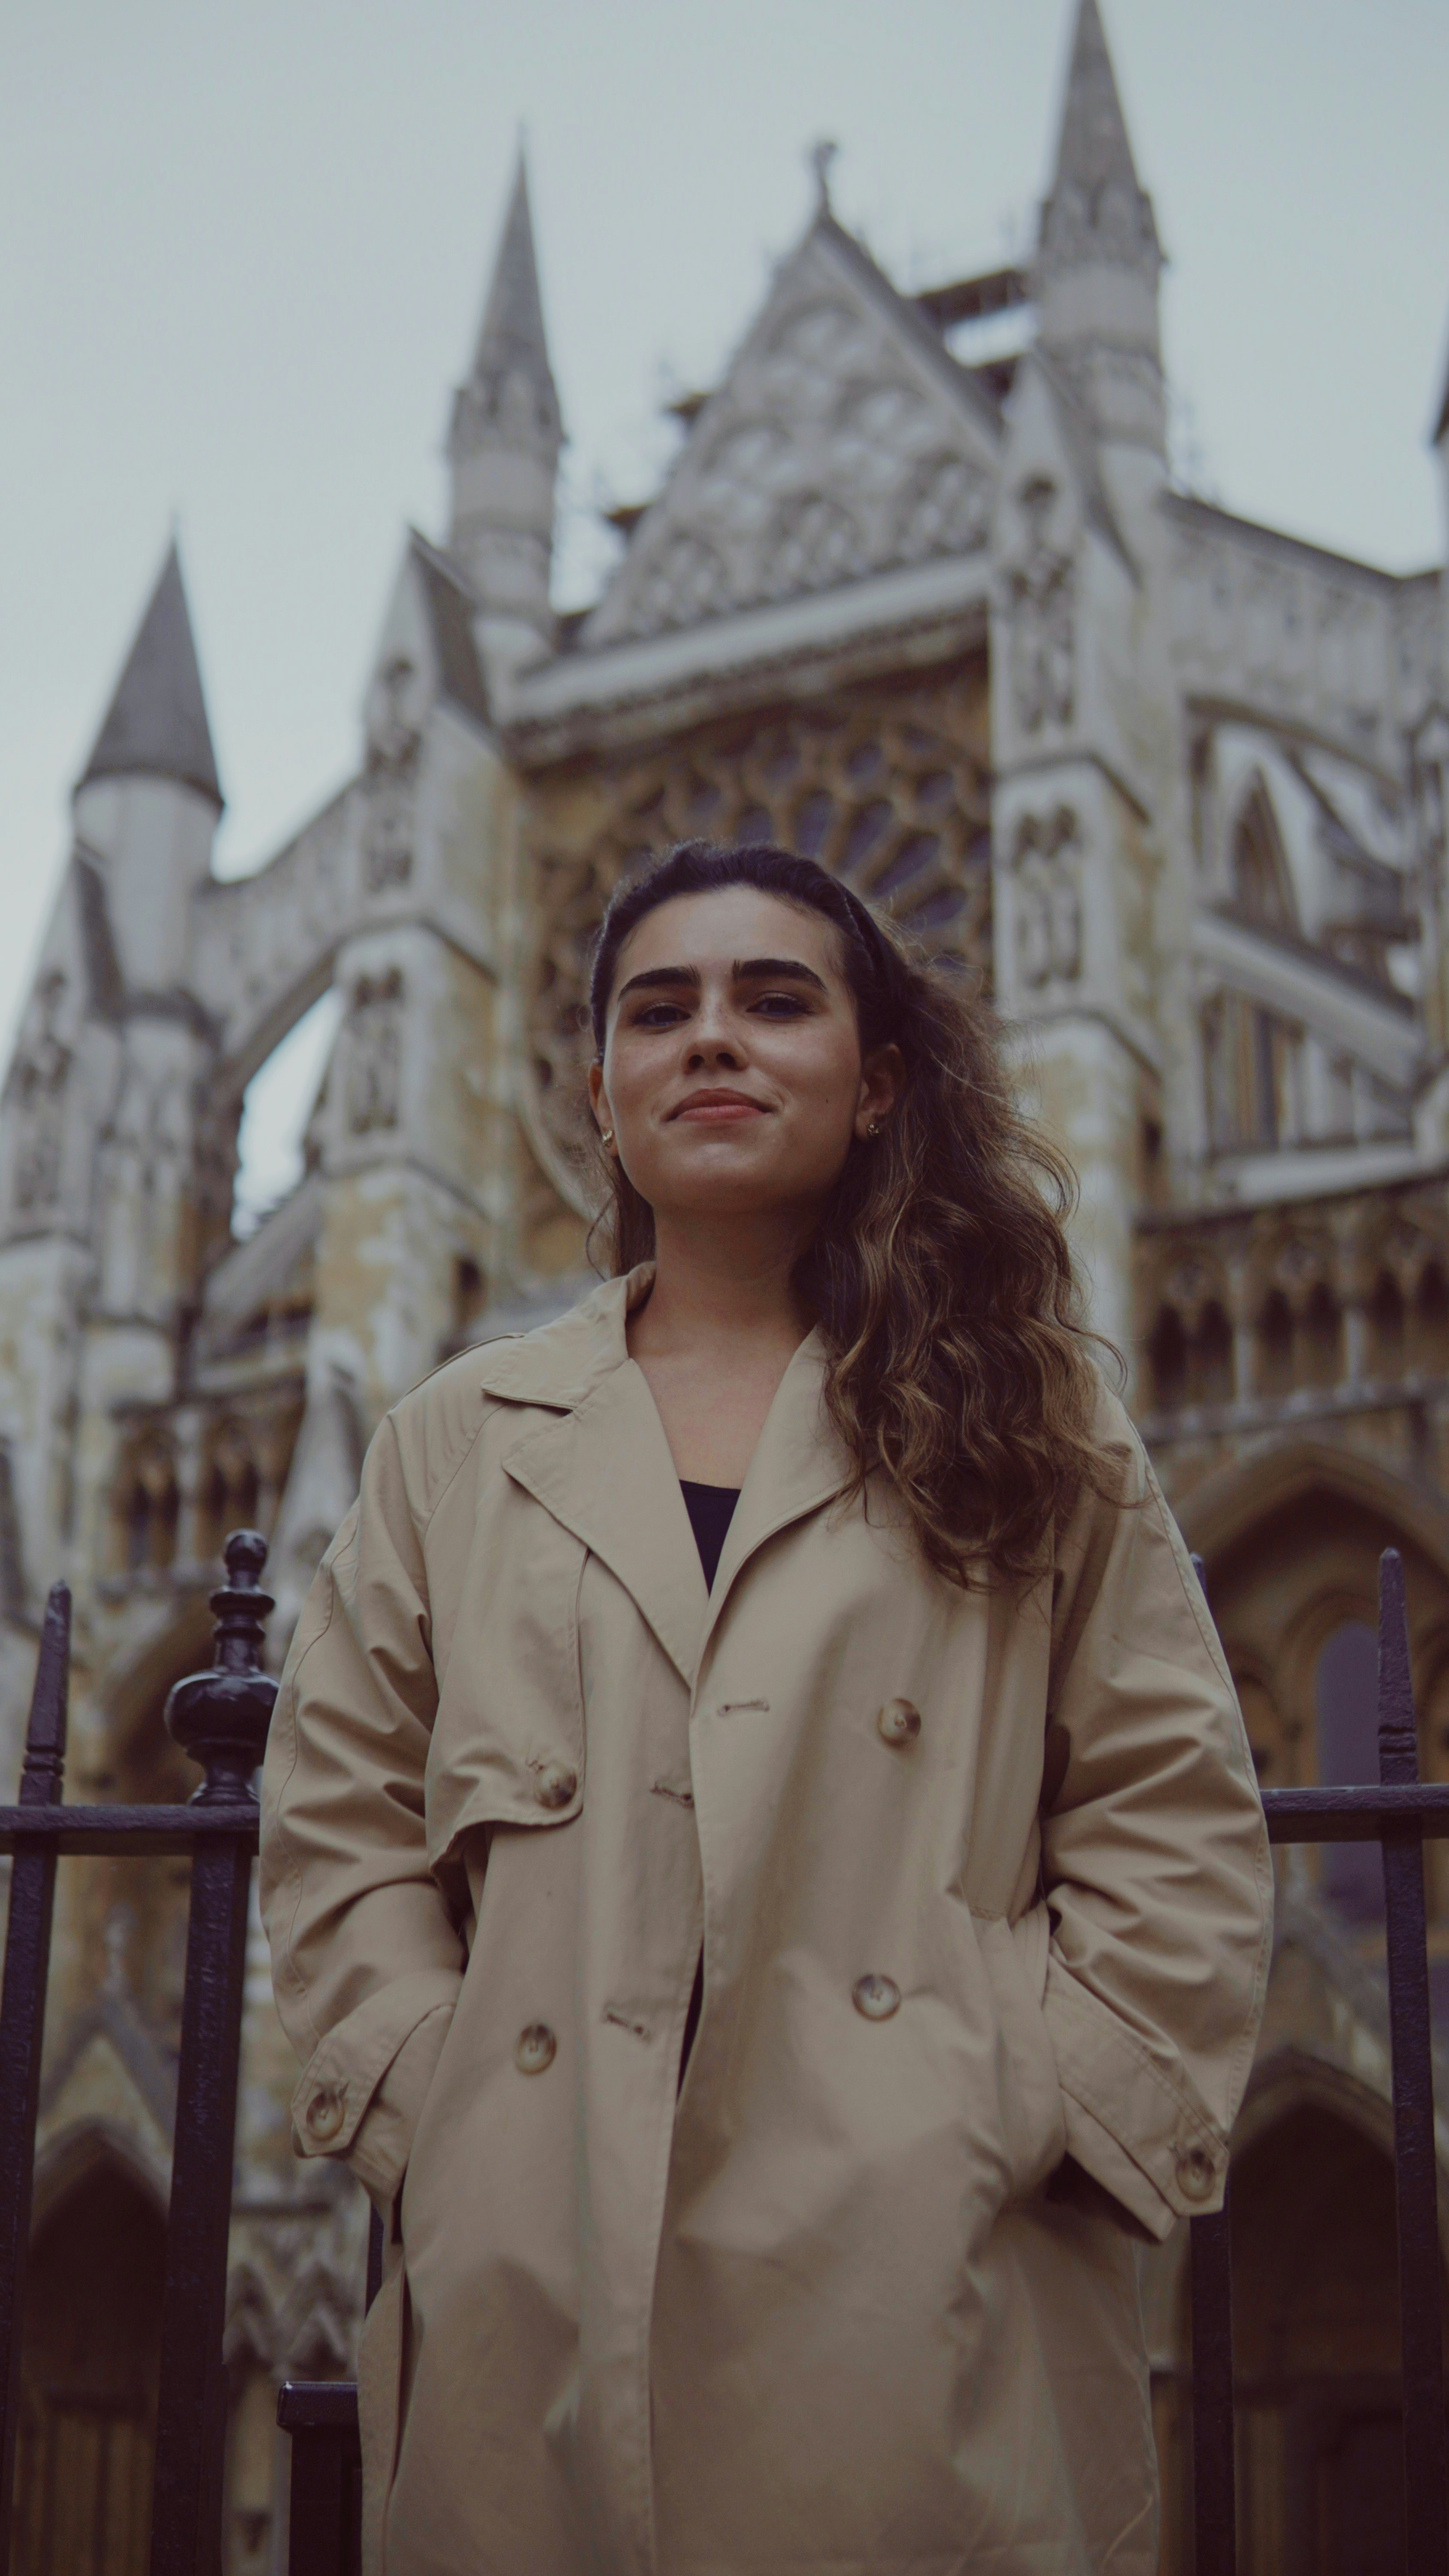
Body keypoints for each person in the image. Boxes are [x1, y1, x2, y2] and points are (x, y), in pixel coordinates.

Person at [260, 841, 1271, 2576]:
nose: (709, 1041)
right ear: (598, 1091)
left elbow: (1172, 1810)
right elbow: (335, 1818)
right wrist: (458, 2117)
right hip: (539, 2283)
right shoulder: (456, 1436)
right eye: (659, 1011)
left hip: (920, 2307)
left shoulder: (1038, 1420)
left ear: (879, 1083)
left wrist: (1005, 2101)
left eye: (773, 1000)